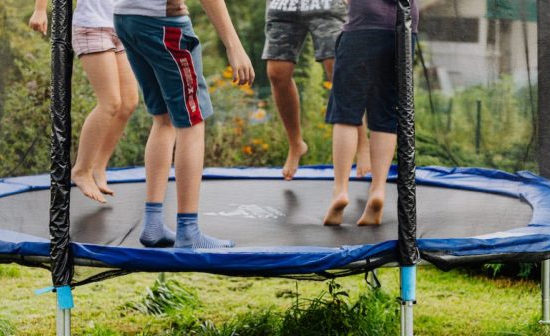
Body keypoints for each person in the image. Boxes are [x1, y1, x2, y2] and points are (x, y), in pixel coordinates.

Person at [113, 0, 255, 248]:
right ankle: (188, 231)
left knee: (164, 118)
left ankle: (153, 223)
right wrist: (234, 45)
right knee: (192, 121)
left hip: (126, 17)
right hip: (163, 24)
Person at [29, 0, 139, 204]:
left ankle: (98, 166)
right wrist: (40, 10)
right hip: (92, 26)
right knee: (110, 102)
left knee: (129, 103)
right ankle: (81, 170)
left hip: (122, 26)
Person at [323, 0, 418, 226]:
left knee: (345, 112)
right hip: (403, 30)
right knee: (386, 114)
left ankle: (340, 190)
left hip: (362, 25)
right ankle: (377, 191)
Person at [263, 0, 371, 181]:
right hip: (284, 5)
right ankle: (296, 144)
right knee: (277, 72)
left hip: (326, 4)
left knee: (338, 69)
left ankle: (362, 144)